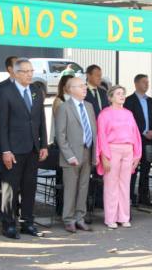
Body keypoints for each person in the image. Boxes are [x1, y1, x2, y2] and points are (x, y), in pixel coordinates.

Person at [0, 58, 48, 239]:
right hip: (14, 149)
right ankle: (8, 224)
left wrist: (43, 144)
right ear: (15, 73)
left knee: (29, 187)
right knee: (11, 188)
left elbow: (41, 120)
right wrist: (5, 150)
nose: (29, 74)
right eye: (25, 71)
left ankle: (27, 222)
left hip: (32, 147)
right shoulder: (5, 92)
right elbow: (1, 124)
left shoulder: (35, 90)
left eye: (31, 71)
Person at [97, 85, 142, 229]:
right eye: (118, 94)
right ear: (110, 97)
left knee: (125, 185)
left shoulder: (129, 113)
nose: (122, 96)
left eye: (123, 93)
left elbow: (135, 134)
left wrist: (137, 154)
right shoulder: (104, 114)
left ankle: (123, 217)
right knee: (111, 185)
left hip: (128, 150)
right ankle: (110, 218)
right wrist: (104, 156)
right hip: (112, 149)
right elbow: (101, 136)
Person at [55, 77, 96, 233]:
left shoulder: (89, 106)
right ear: (71, 89)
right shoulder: (64, 107)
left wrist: (95, 153)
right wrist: (69, 155)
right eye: (81, 86)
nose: (85, 88)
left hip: (87, 151)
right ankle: (69, 219)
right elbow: (61, 134)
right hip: (71, 155)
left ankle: (80, 218)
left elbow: (94, 131)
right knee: (71, 189)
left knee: (83, 187)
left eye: (85, 85)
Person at [124, 74, 152, 206]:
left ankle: (144, 196)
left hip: (149, 139)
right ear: (136, 84)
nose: (147, 84)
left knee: (146, 169)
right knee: (133, 170)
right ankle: (131, 197)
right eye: (144, 82)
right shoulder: (129, 101)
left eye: (148, 82)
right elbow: (128, 122)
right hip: (135, 139)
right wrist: (142, 132)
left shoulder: (151, 101)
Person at [50, 75, 74, 143]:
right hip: (63, 139)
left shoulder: (74, 99)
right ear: (63, 87)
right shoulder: (58, 101)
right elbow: (60, 121)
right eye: (70, 84)